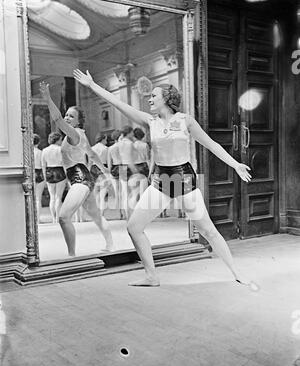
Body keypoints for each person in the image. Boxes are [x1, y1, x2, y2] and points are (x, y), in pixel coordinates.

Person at [73, 69, 254, 288]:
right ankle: (151, 276)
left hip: (182, 178)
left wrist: (235, 164)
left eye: (154, 96)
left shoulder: (186, 121)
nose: (149, 99)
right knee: (134, 227)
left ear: (167, 99)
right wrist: (92, 85)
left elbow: (211, 144)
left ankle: (236, 271)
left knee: (207, 230)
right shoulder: (150, 121)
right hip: (160, 179)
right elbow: (120, 104)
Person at [39, 81, 114, 256]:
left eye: (71, 116)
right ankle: (110, 244)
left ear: (79, 121)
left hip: (80, 178)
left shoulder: (74, 134)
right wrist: (105, 171)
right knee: (96, 216)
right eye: (66, 115)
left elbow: (56, 120)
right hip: (81, 178)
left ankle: (72, 255)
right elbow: (93, 155)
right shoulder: (80, 135)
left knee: (64, 217)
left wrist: (48, 98)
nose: (66, 118)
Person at [41, 131, 67, 223]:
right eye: (61, 139)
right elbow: (64, 163)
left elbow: (43, 165)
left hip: (49, 172)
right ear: (57, 140)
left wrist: (45, 177)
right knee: (58, 197)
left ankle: (53, 218)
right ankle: (57, 218)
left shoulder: (44, 150)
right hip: (60, 171)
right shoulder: (61, 149)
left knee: (52, 197)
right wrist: (67, 175)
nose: (61, 141)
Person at [90, 134, 110, 213]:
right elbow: (108, 161)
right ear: (103, 139)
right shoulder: (106, 149)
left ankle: (97, 211)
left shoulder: (92, 148)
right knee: (103, 192)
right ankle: (102, 212)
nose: (106, 141)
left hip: (93, 168)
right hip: (103, 167)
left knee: (96, 191)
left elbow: (90, 161)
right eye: (106, 139)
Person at [107, 130, 125, 218]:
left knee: (117, 192)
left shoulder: (110, 148)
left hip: (114, 168)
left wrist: (110, 173)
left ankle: (119, 212)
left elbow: (109, 162)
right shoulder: (123, 146)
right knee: (124, 192)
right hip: (123, 168)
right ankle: (124, 211)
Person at [33, 134, 45, 223]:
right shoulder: (40, 152)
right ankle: (38, 219)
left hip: (31, 173)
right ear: (39, 142)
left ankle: (32, 218)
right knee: (38, 198)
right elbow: (43, 165)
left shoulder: (27, 152)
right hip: (39, 173)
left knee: (30, 197)